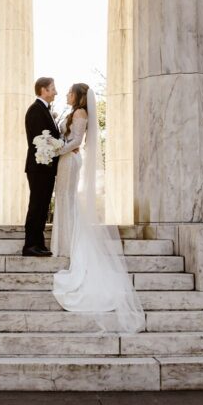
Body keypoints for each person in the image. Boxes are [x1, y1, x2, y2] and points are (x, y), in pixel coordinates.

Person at [50, 83, 145, 333]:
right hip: (65, 158)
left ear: (79, 96)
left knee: (66, 196)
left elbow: (77, 140)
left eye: (71, 92)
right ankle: (63, 240)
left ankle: (67, 242)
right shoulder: (69, 113)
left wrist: (56, 149)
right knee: (63, 197)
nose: (67, 95)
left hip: (69, 159)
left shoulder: (81, 114)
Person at [22, 77, 59, 257]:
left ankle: (39, 243)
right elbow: (40, 141)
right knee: (37, 205)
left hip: (46, 167)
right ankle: (30, 245)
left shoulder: (44, 110)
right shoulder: (36, 110)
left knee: (43, 206)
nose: (55, 92)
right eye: (53, 88)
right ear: (43, 90)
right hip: (38, 167)